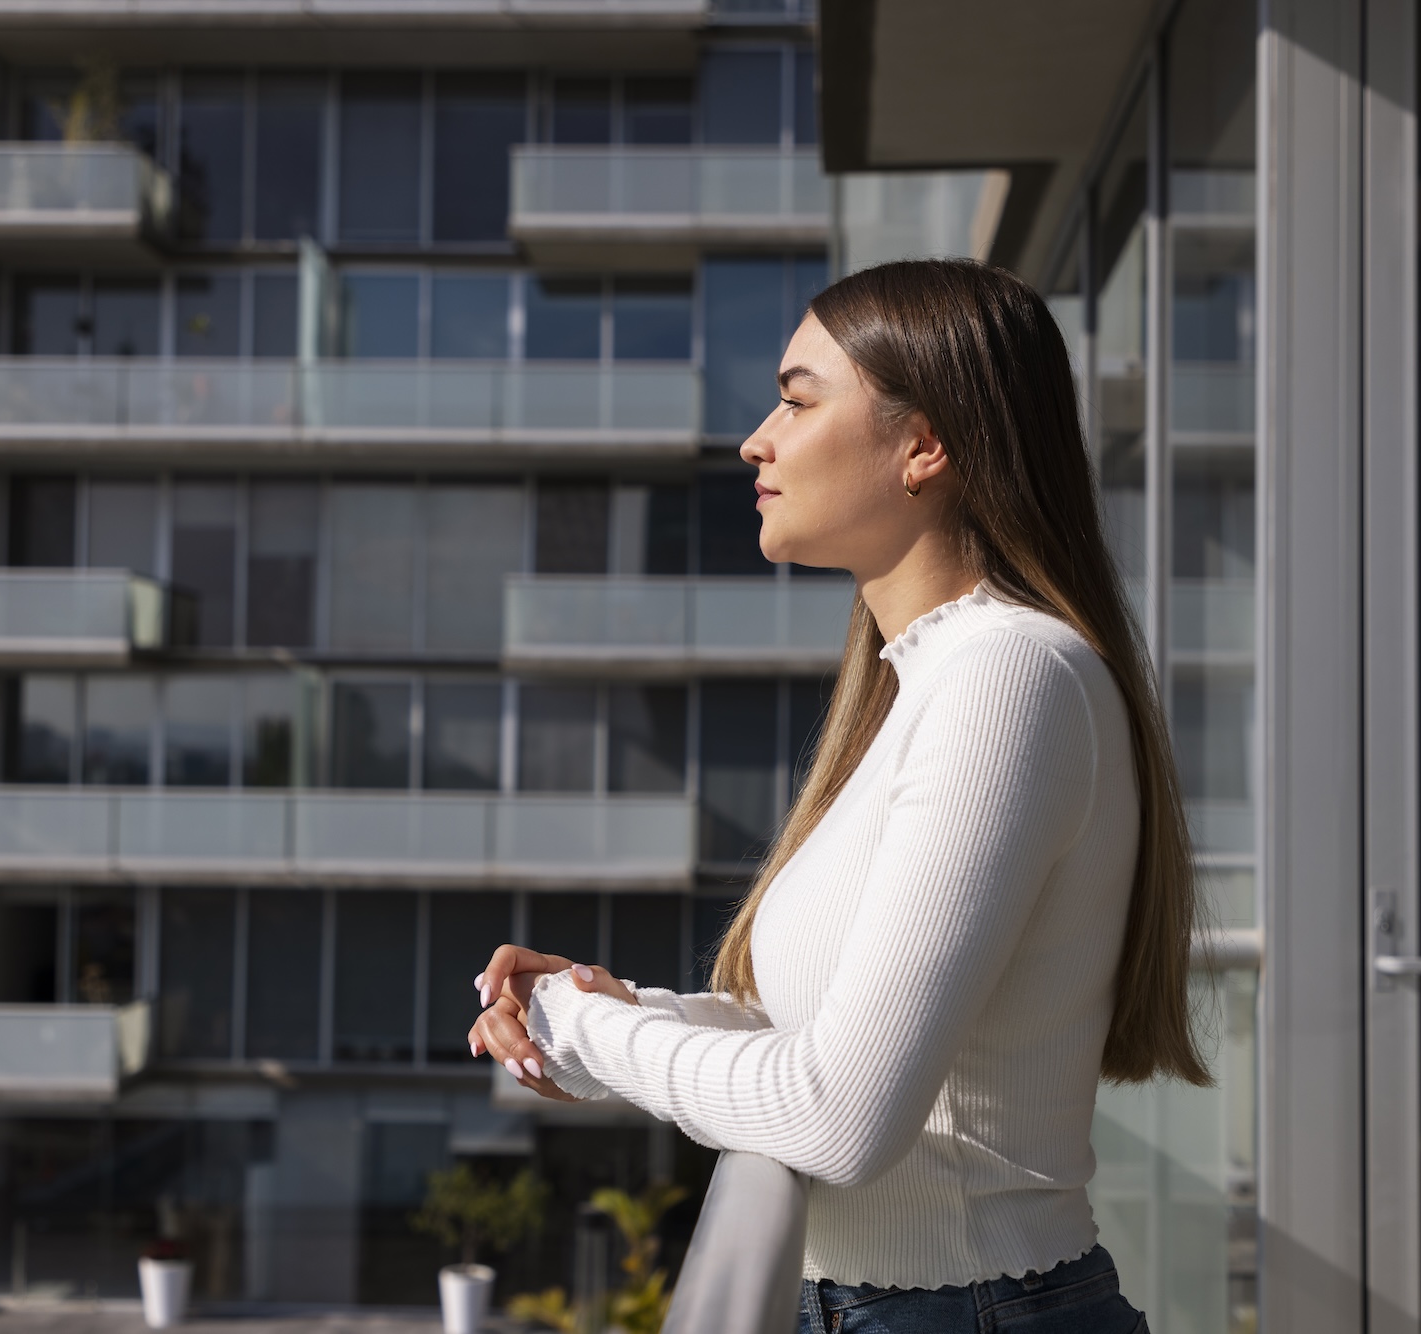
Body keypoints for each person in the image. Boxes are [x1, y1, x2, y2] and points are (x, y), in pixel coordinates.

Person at [470, 258, 1208, 1333]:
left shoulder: (1007, 677)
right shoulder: (929, 683)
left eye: (797, 397)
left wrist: (585, 1030)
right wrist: (607, 1016)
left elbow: (840, 1114)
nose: (754, 438)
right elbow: (818, 1037)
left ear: (924, 444)